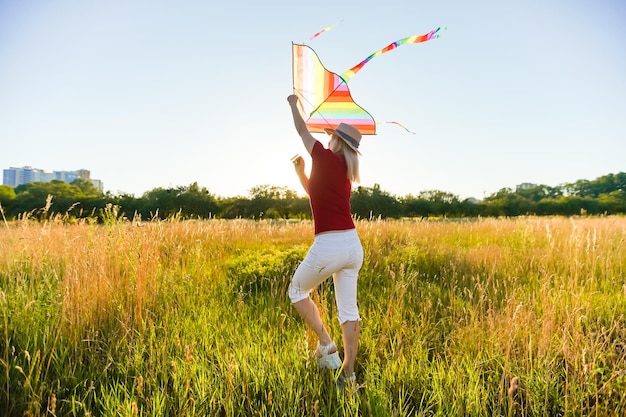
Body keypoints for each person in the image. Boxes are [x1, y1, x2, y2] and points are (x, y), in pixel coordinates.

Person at [286, 94, 364, 386]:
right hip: (352, 246)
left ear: (335, 142)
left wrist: (294, 105)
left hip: (329, 244)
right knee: (349, 312)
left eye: (331, 136)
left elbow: (301, 131)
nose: (327, 139)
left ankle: (327, 345)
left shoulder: (322, 154)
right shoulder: (346, 171)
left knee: (296, 292)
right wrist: (301, 174)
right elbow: (317, 195)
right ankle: (348, 374)